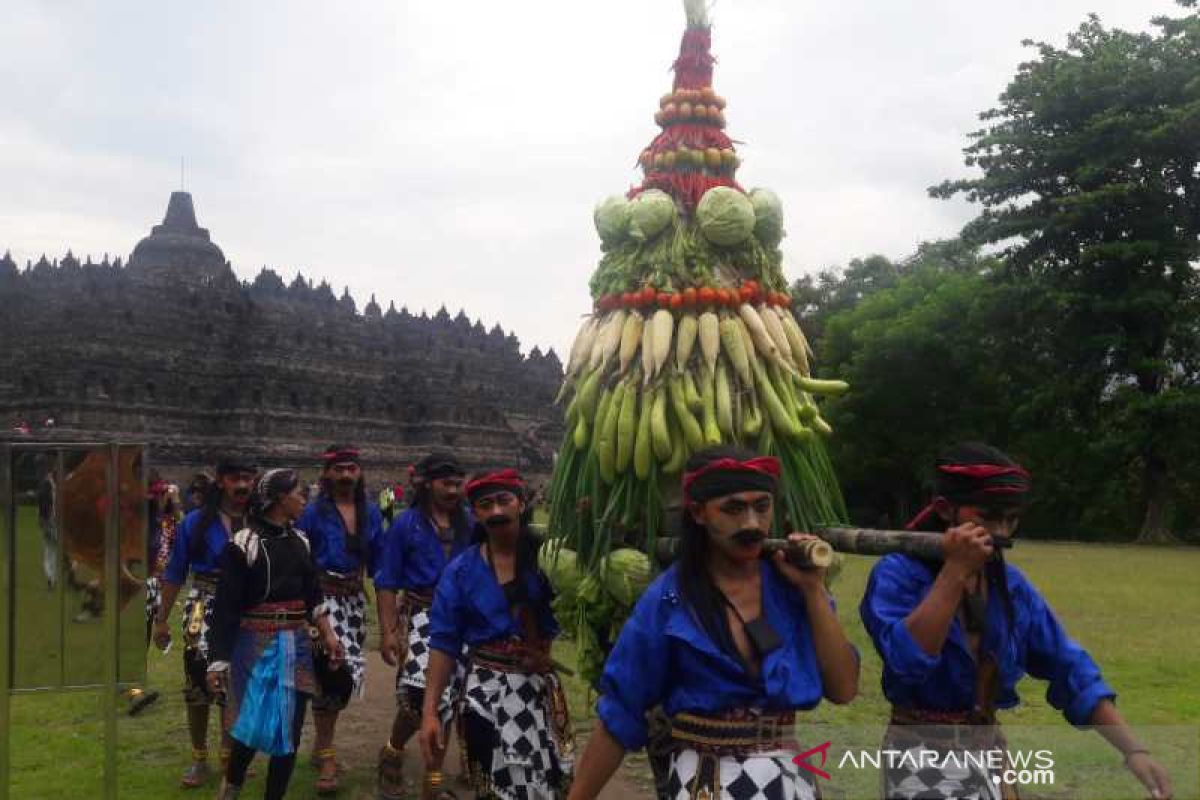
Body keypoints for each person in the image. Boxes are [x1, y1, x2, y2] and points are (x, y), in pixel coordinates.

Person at [860, 442, 1173, 800]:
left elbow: (1068, 667)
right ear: (946, 510)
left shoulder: (1011, 586)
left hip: (989, 755)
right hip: (919, 755)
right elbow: (907, 661)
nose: (1002, 533)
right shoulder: (897, 575)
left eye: (1010, 519)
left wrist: (1134, 750)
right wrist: (954, 572)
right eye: (990, 517)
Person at [569, 446, 860, 800]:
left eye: (762, 506)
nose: (752, 523)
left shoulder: (792, 589)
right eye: (733, 508)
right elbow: (620, 711)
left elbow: (843, 688)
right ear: (698, 512)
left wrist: (813, 589)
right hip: (706, 785)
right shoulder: (669, 598)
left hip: (789, 782)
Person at [420, 468, 576, 800]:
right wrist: (430, 711)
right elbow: (444, 643)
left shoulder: (551, 560)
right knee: (491, 787)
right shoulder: (461, 572)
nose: (496, 512)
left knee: (543, 784)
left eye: (504, 501)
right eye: (485, 505)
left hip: (536, 691)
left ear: (521, 503)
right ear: (475, 512)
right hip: (483, 694)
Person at [206, 468, 344, 800]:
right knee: (249, 727)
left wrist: (329, 635)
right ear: (280, 498)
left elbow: (313, 595)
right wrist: (218, 661)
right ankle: (232, 788)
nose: (303, 500)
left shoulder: (301, 542)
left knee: (290, 732)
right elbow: (226, 608)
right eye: (299, 494)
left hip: (296, 645)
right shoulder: (244, 544)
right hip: (254, 646)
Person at [374, 452, 474, 800]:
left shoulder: (471, 523)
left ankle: (432, 783)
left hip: (464, 618)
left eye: (458, 483)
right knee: (419, 697)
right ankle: (392, 751)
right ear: (428, 484)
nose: (453, 489)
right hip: (422, 617)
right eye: (446, 483)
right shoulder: (406, 524)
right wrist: (388, 632)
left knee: (454, 699)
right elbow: (386, 581)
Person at [154, 456, 257, 788]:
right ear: (221, 482)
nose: (241, 485)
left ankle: (230, 756)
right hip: (202, 605)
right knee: (199, 682)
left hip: (246, 609)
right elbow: (174, 572)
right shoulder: (195, 523)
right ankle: (199, 758)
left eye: (247, 478)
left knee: (237, 683)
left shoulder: (260, 523)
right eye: (234, 478)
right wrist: (161, 620)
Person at [296, 444, 385, 794]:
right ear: (327, 474)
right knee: (332, 670)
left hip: (353, 602)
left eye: (352, 468)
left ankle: (321, 746)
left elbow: (380, 566)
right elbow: (301, 560)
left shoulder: (372, 513)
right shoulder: (312, 514)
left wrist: (390, 618)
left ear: (359, 473)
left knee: (342, 679)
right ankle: (328, 756)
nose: (346, 475)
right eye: (339, 469)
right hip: (321, 600)